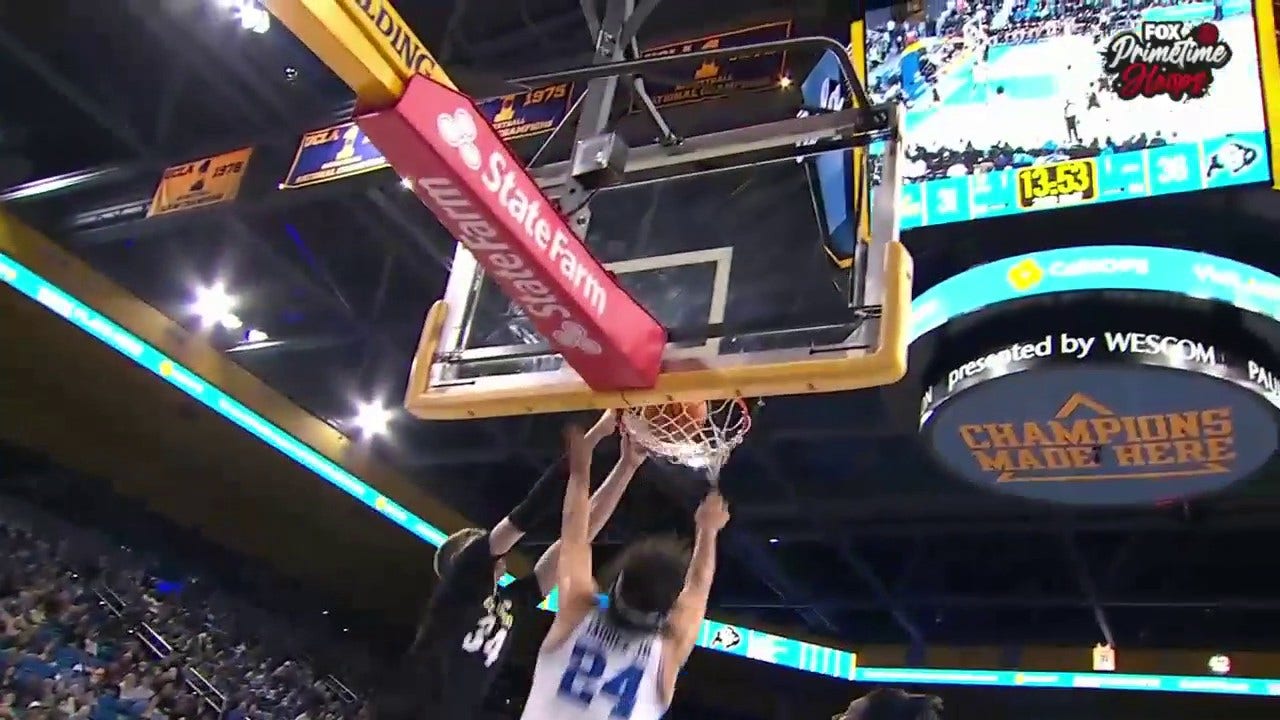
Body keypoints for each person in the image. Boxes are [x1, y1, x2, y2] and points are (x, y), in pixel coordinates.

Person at [375, 410, 645, 720]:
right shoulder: (462, 584)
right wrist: (596, 433)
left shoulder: (510, 603)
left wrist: (627, 465)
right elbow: (529, 510)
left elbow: (578, 537)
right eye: (479, 543)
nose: (496, 550)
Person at [519, 425, 731, 720]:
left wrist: (581, 472)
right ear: (667, 611)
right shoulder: (666, 653)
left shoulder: (579, 610)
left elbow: (575, 533)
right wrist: (708, 530)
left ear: (618, 583)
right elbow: (698, 585)